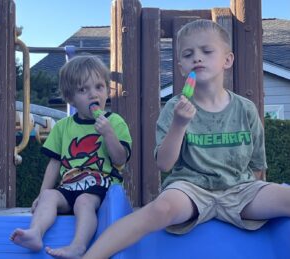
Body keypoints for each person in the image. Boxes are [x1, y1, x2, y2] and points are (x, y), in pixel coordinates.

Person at [77, 19, 290, 259]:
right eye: (189, 55)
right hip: (190, 190)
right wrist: (179, 124)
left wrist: (256, 195)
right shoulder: (174, 108)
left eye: (207, 51)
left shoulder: (246, 109)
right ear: (181, 68)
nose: (197, 58)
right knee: (159, 209)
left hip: (240, 189)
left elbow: (257, 168)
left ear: (227, 60)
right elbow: (164, 165)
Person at [10, 55, 132, 259]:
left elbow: (120, 160)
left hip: (100, 188)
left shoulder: (115, 122)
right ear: (70, 98)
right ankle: (35, 233)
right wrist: (42, 194)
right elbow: (54, 163)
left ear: (106, 91)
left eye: (99, 87)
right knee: (49, 196)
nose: (93, 94)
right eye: (83, 90)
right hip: (69, 186)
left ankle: (78, 246)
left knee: (83, 201)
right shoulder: (63, 127)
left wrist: (109, 133)